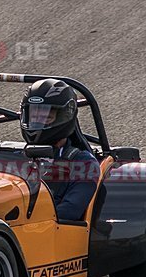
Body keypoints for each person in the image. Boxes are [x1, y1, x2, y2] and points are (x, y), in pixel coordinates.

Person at [19, 79, 99, 221]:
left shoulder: (84, 163)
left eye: (46, 117)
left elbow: (70, 210)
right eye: (34, 116)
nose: (38, 122)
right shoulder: (15, 157)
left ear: (64, 116)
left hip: (45, 232)